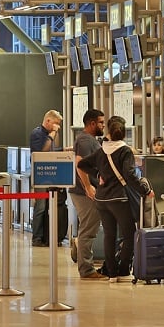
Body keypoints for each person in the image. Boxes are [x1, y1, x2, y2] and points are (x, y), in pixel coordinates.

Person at [77, 116, 151, 282]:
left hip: (102, 199)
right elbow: (130, 175)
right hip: (119, 199)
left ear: (109, 131)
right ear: (124, 132)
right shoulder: (125, 151)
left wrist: (98, 174)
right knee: (129, 234)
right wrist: (146, 190)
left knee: (109, 236)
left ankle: (111, 273)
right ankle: (123, 271)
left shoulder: (102, 150)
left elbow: (82, 164)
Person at [68, 109, 107, 280]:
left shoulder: (89, 140)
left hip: (85, 191)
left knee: (88, 228)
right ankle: (86, 269)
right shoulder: (85, 140)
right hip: (83, 193)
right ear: (92, 123)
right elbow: (80, 164)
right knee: (88, 229)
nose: (103, 125)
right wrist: (88, 187)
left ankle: (83, 258)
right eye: (101, 122)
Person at [30, 109, 64, 247]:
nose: (57, 127)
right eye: (56, 123)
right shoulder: (37, 134)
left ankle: (47, 236)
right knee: (40, 206)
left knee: (49, 206)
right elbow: (42, 152)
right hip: (40, 174)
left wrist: (64, 149)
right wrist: (53, 134)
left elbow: (52, 151)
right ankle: (37, 237)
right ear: (48, 121)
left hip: (50, 174)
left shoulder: (50, 135)